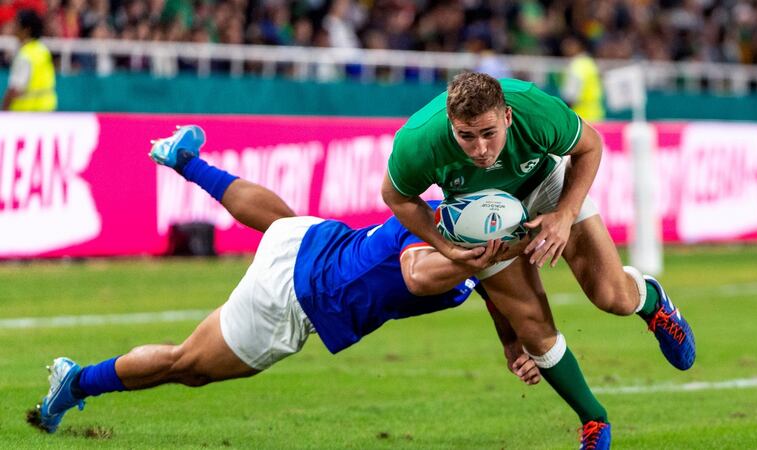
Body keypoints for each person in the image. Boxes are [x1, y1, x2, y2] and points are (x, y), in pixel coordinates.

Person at [29, 125, 542, 435]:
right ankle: (77, 381)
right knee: (188, 365)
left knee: (281, 222)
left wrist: (510, 340)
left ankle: (187, 161)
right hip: (297, 297)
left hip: (310, 241)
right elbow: (418, 273)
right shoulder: (448, 244)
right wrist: (470, 260)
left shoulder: (455, 223)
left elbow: (493, 287)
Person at [381, 72, 696, 449]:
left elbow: (590, 146)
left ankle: (651, 301)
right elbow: (396, 197)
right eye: (466, 136)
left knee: (612, 297)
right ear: (451, 124)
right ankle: (594, 420)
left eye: (489, 133)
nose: (480, 149)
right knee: (530, 325)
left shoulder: (534, 108)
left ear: (508, 117)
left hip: (547, 188)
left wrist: (565, 214)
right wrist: (446, 248)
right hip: (482, 218)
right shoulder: (418, 140)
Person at [2, 9, 57, 112]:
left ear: (26, 29)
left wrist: (4, 109)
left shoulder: (24, 55)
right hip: (47, 109)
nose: (14, 27)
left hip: (27, 113)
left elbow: (15, 89)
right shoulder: (43, 49)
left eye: (16, 24)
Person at [559, 35, 605, 122]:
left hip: (580, 117)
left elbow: (570, 95)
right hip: (596, 114)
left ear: (579, 46)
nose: (565, 49)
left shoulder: (576, 65)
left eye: (569, 45)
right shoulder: (590, 62)